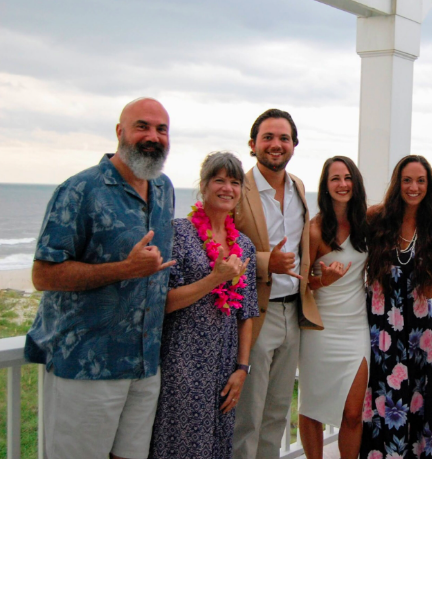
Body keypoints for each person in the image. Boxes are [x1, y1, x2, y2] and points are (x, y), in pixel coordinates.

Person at [25, 97, 175, 459]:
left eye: (161, 129)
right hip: (86, 368)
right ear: (120, 132)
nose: (153, 136)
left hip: (144, 366)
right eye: (142, 126)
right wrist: (125, 269)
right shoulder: (79, 190)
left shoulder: (164, 189)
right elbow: (43, 274)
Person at [149, 152, 259, 459]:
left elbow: (246, 314)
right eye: (219, 180)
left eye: (234, 182)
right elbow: (165, 302)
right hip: (182, 363)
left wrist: (242, 369)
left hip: (225, 367)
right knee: (180, 446)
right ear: (204, 185)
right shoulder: (179, 233)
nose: (227, 188)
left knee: (217, 448)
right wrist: (215, 278)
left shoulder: (244, 245)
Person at [233, 108, 322, 459]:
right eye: (268, 137)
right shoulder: (236, 187)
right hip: (255, 314)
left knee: (276, 414)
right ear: (253, 145)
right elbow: (215, 248)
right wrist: (268, 262)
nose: (276, 144)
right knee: (247, 417)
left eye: (283, 138)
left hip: (292, 314)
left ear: (294, 145)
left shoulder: (299, 186)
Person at [360, 155, 432, 459]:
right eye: (407, 180)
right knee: (379, 395)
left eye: (420, 181)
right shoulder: (376, 219)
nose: (413, 187)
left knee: (415, 397)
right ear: (397, 183)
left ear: (429, 186)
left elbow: (430, 290)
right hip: (379, 328)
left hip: (417, 334)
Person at [298, 156, 369, 459]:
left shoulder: (367, 222)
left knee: (353, 413)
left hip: (356, 327)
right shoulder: (313, 230)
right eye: (335, 179)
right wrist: (322, 281)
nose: (342, 184)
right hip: (320, 330)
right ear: (325, 187)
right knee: (312, 407)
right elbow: (302, 284)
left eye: (348, 177)